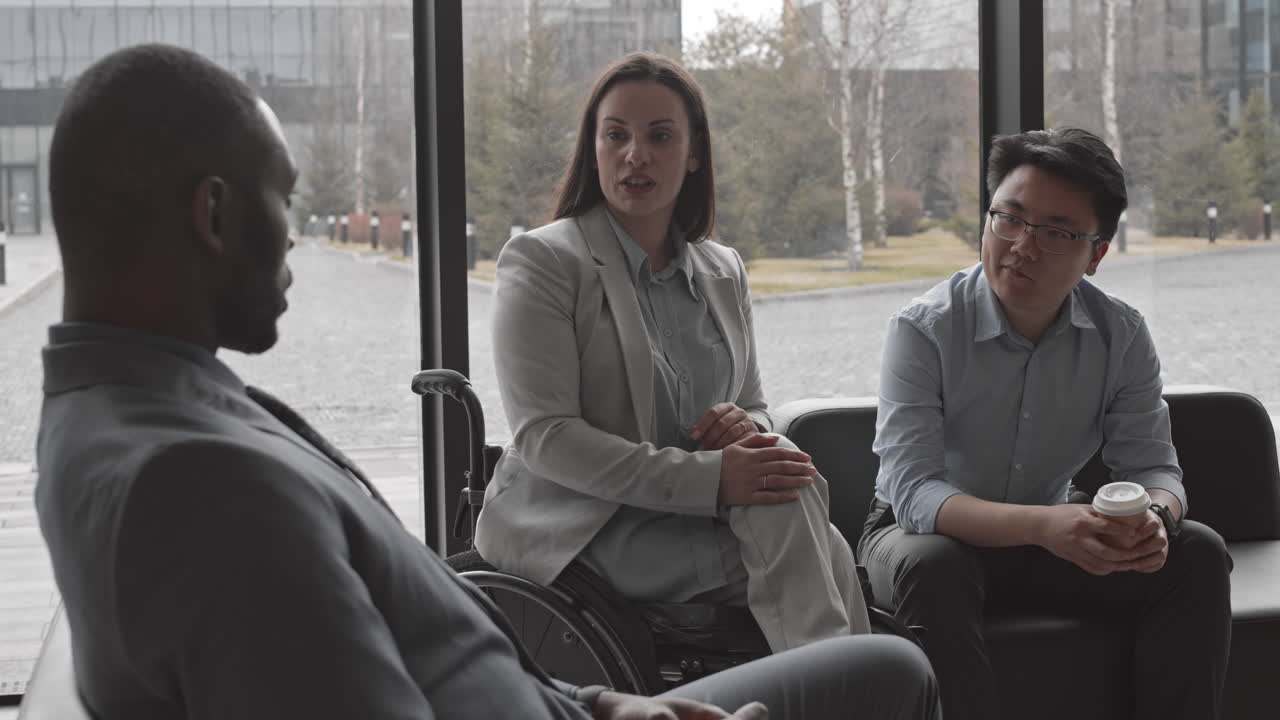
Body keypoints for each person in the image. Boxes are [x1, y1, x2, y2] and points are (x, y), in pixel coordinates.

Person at [34, 44, 942, 719]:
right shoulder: (201, 487)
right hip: (589, 551)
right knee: (893, 673)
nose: (305, 234)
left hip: (561, 695)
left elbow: (429, 655)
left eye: (660, 137)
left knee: (804, 502)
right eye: (288, 197)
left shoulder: (167, 416)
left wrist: (602, 706)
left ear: (692, 152)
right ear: (216, 213)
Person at [478, 51, 872, 655]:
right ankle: (853, 691)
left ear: (693, 154)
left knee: (791, 491)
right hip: (584, 524)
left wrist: (747, 427)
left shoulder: (723, 268)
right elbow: (546, 438)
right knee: (814, 548)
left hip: (698, 515)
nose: (636, 154)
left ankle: (844, 690)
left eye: (660, 135)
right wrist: (714, 479)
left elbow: (754, 405)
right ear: (594, 148)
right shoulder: (545, 261)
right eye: (616, 135)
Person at [861, 127, 1233, 720]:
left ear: (1096, 253)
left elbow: (1154, 467)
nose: (1021, 246)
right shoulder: (923, 329)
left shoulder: (1122, 335)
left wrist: (1156, 519)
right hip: (919, 539)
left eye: (1056, 232)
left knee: (1196, 554)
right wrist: (1045, 526)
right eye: (1008, 218)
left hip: (1052, 528)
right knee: (938, 566)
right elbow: (914, 493)